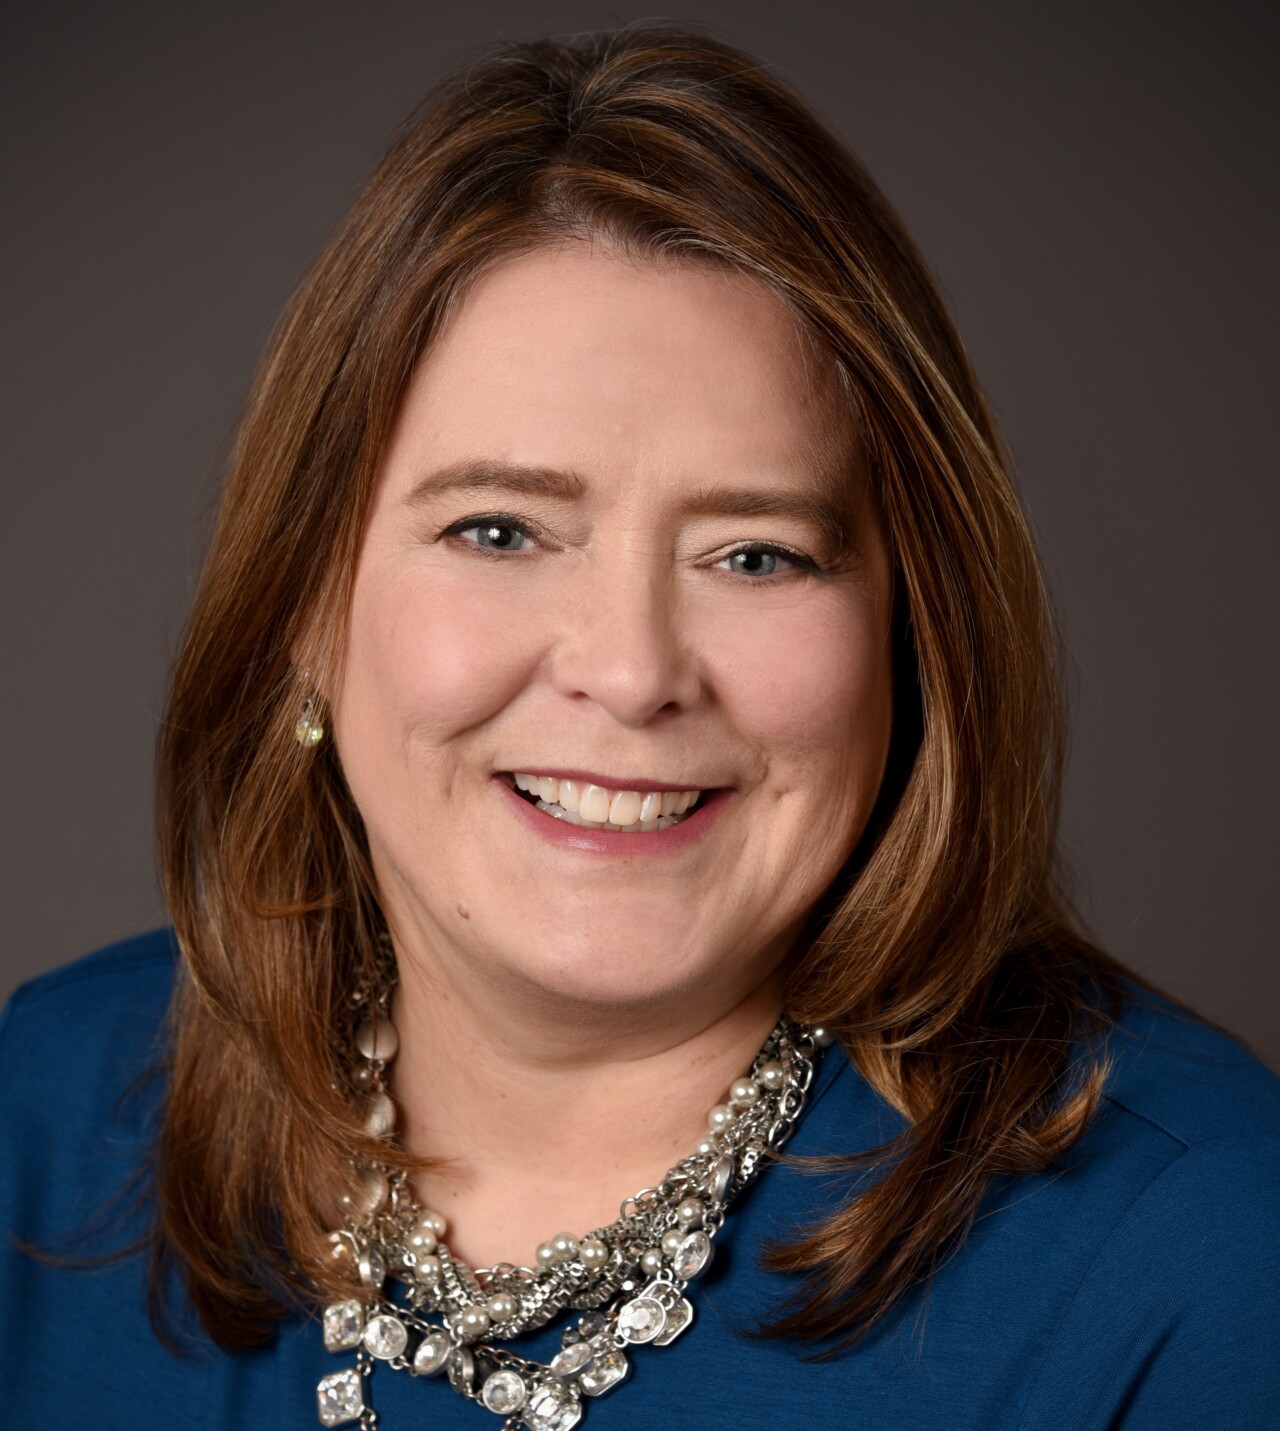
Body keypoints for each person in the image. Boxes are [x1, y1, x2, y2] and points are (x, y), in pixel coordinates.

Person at [2, 22, 1277, 1431]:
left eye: (756, 553)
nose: (628, 672)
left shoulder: (1202, 1262)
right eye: (498, 529)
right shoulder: (44, 1117)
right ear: (305, 605)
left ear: (916, 636)